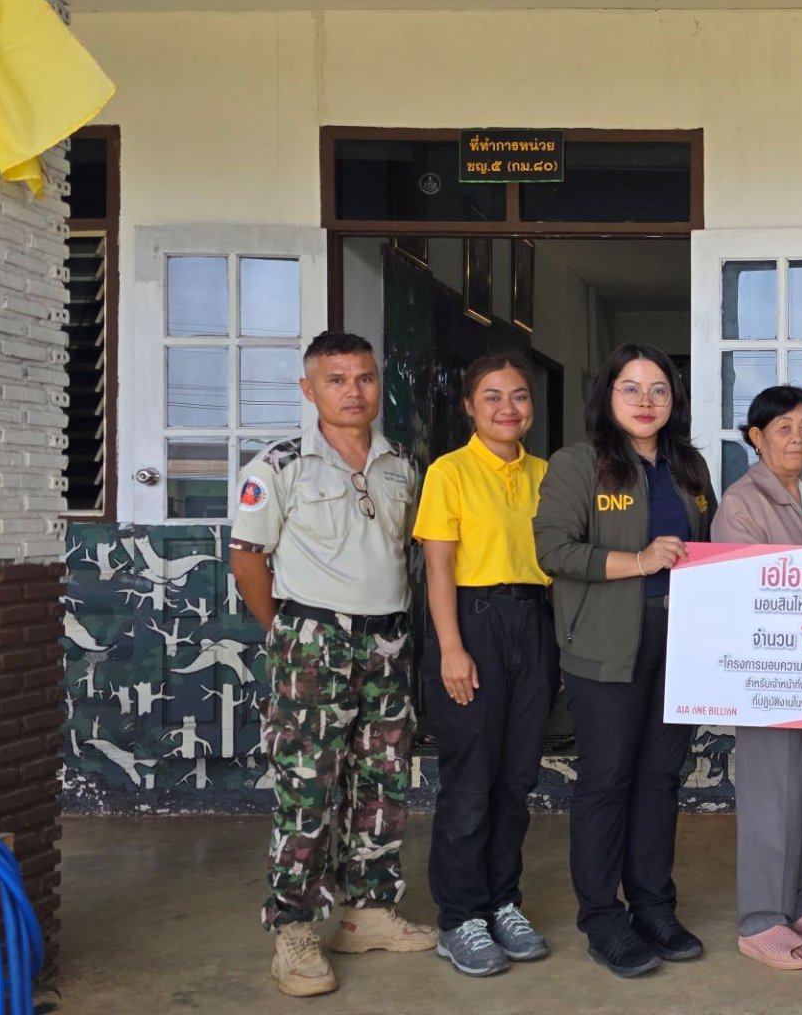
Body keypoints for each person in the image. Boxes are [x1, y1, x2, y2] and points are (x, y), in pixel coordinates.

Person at [229, 331, 434, 998]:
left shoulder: (401, 466)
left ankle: (366, 913)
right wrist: (286, 631)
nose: (354, 391)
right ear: (309, 389)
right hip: (314, 641)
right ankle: (293, 930)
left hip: (388, 642)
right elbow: (247, 560)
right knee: (307, 789)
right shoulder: (279, 466)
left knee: (383, 780)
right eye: (337, 379)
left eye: (365, 378)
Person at [533, 343, 718, 978]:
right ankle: (602, 918)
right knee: (606, 781)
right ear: (607, 395)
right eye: (631, 388)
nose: (646, 401)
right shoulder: (579, 464)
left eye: (659, 389)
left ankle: (654, 907)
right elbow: (553, 550)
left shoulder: (689, 467)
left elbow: (711, 549)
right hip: (605, 645)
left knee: (661, 778)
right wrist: (638, 562)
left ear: (674, 400)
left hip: (679, 643)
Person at [412, 351, 558, 977]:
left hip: (534, 622)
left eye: (519, 395)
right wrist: (450, 647)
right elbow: (439, 565)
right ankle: (460, 918)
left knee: (516, 778)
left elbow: (561, 560)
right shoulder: (449, 471)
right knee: (471, 781)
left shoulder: (548, 474)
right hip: (472, 623)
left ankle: (503, 903)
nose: (507, 407)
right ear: (469, 405)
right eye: (492, 396)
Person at [712, 385, 802, 971]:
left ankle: (799, 907)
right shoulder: (742, 504)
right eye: (782, 428)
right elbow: (744, 591)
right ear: (756, 438)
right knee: (771, 799)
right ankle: (760, 921)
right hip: (769, 675)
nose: (797, 438)